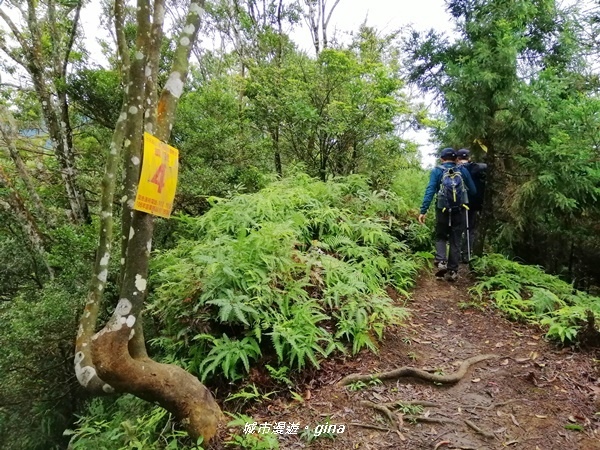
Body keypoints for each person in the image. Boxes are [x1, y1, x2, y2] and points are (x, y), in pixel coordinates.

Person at [418, 148, 476, 282]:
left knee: (441, 236)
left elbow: (430, 190)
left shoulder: (437, 171)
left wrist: (423, 210)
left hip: (442, 210)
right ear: (456, 159)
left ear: (442, 159)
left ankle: (441, 262)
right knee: (456, 239)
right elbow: (473, 190)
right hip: (459, 210)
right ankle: (453, 271)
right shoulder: (462, 171)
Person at [456, 149, 487, 262]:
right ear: (469, 158)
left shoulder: (457, 169)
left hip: (459, 204)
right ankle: (467, 254)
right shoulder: (478, 168)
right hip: (474, 204)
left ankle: (456, 254)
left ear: (457, 159)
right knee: (471, 229)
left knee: (459, 229)